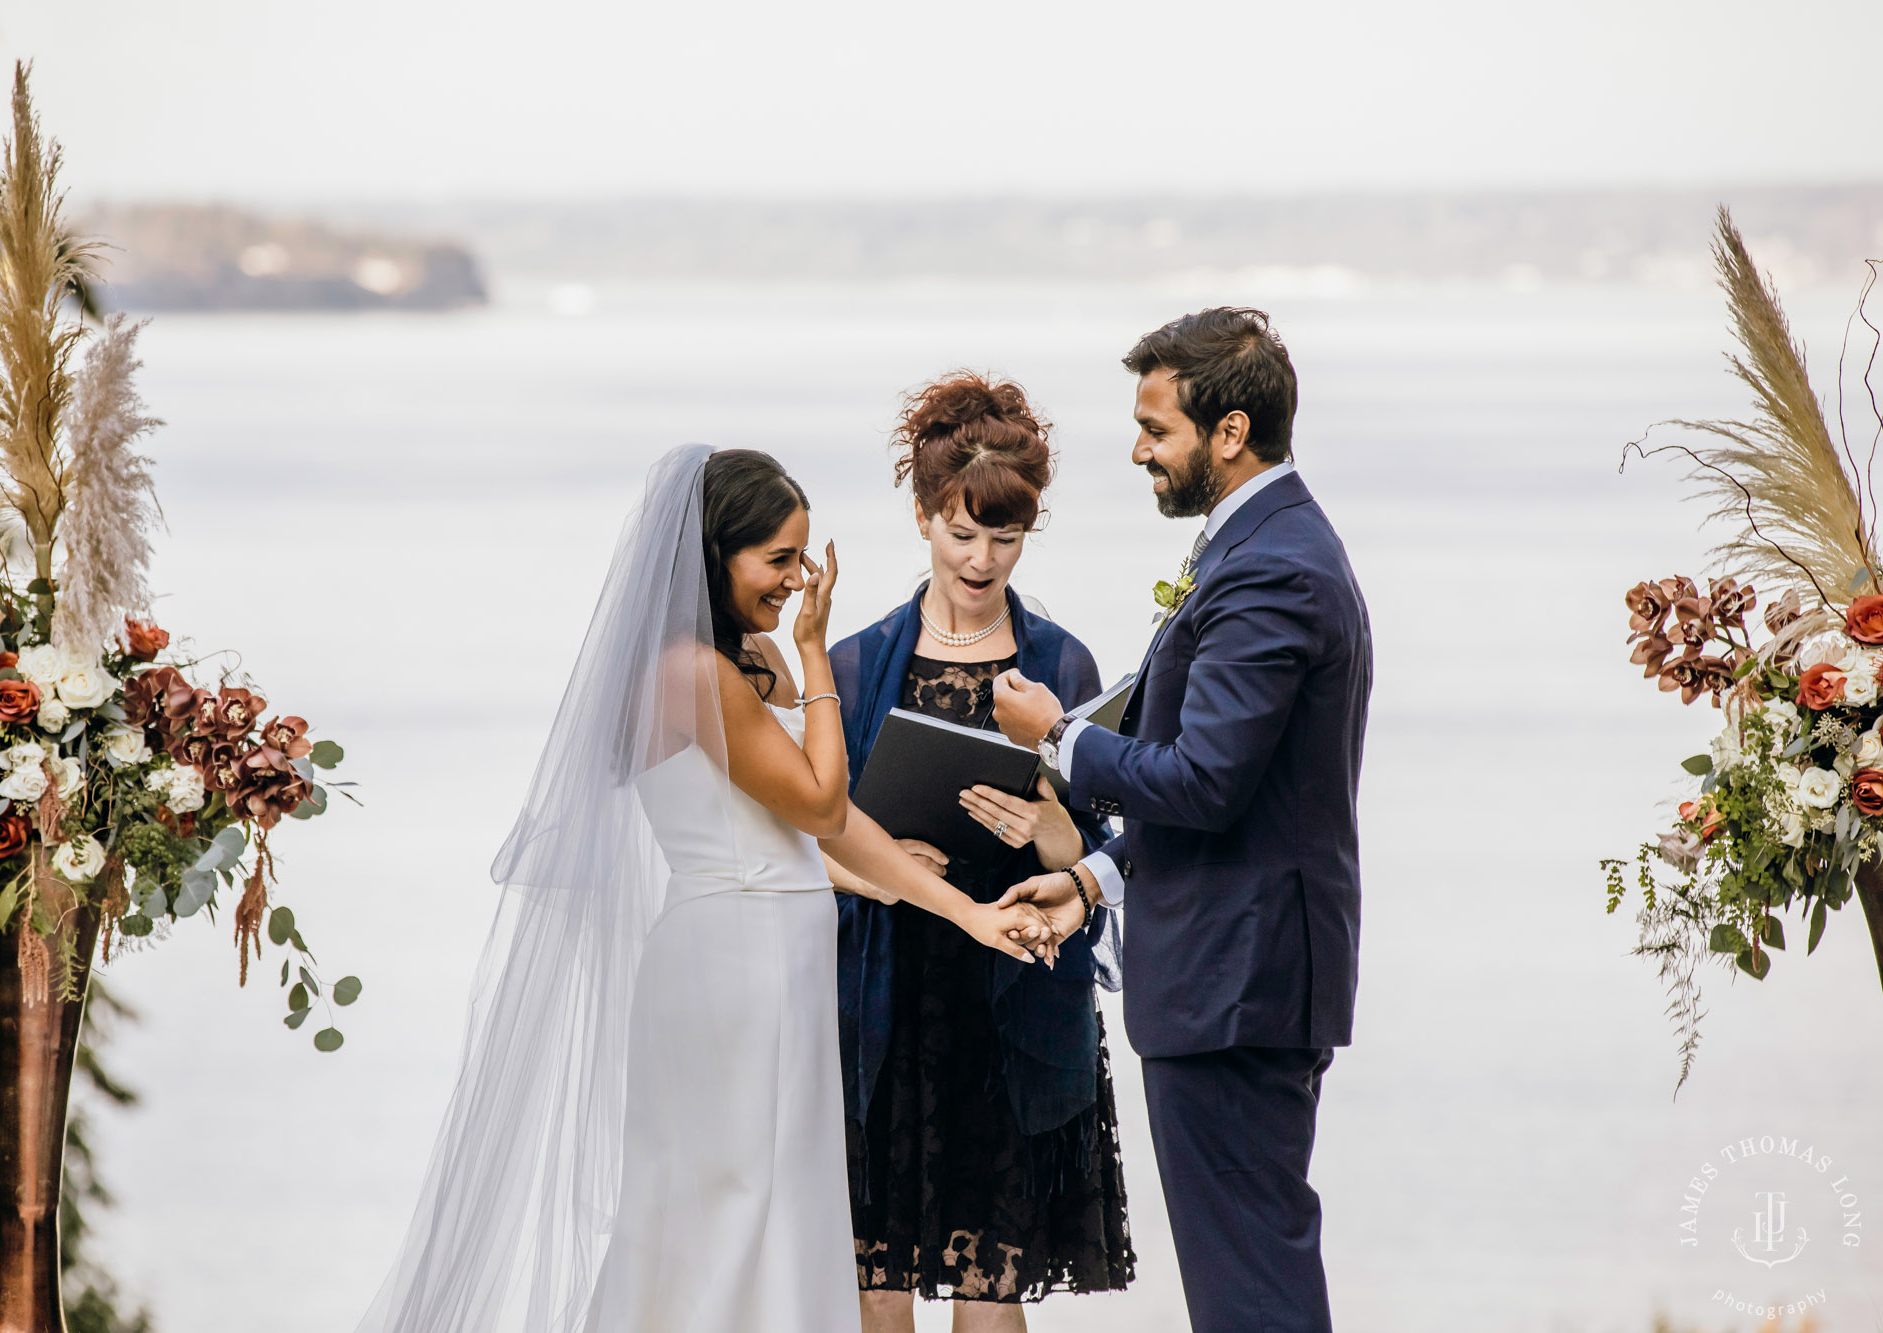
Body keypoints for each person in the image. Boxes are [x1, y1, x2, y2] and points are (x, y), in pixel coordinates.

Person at [357, 445, 1054, 1333]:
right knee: (730, 1204)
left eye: (801, 558)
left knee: (771, 1201)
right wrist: (816, 663)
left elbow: (828, 836)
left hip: (772, 958)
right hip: (737, 963)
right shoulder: (693, 671)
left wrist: (970, 914)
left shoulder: (735, 658)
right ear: (715, 554)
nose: (798, 580)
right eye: (778, 560)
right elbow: (821, 802)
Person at [992, 309, 1372, 1333]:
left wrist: (1058, 736)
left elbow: (1204, 780)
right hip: (1233, 973)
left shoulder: (1272, 568)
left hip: (1235, 984)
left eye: (1154, 428)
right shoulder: (1259, 548)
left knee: (1247, 1281)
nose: (1137, 449)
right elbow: (1241, 797)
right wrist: (1093, 882)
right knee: (1239, 1270)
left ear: (1230, 432)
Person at [826, 373, 1135, 1333]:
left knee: (990, 1291)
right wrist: (891, 863)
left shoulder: (1064, 665)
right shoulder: (853, 663)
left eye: (1005, 537)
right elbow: (810, 841)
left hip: (1012, 1000)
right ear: (922, 516)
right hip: (886, 1000)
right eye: (963, 533)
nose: (982, 558)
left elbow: (1101, 847)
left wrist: (1048, 827)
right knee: (873, 1288)